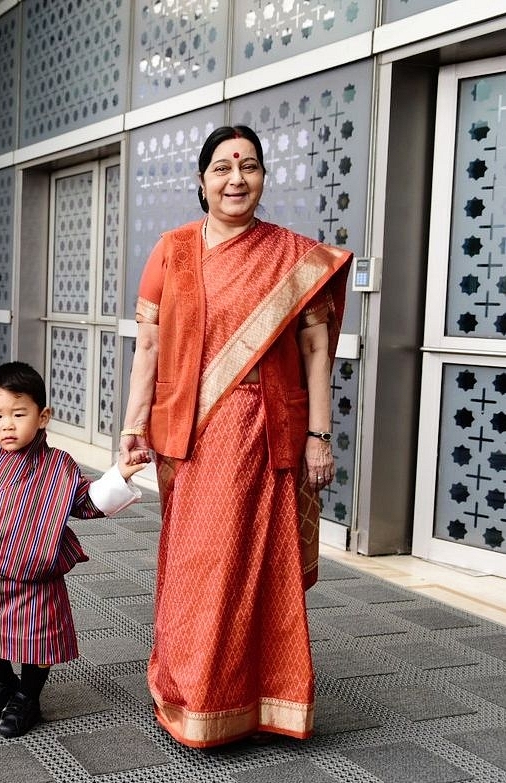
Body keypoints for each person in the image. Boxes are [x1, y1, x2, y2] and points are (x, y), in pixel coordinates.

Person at [119, 125, 353, 748]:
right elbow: (148, 346)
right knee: (200, 564)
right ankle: (194, 694)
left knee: (260, 565)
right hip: (192, 436)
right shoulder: (172, 250)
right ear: (201, 181)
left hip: (266, 429)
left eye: (249, 166)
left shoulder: (292, 256)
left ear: (263, 179)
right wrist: (132, 424)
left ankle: (262, 699)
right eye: (222, 167)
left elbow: (315, 349)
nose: (236, 179)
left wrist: (320, 437)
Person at [0, 361, 147, 737]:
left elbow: (86, 503)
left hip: (37, 575)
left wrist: (120, 474)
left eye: (19, 414)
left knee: (36, 646)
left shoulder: (58, 465)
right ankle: (4, 684)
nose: (8, 424)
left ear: (43, 417)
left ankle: (27, 697)